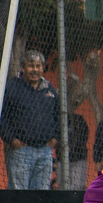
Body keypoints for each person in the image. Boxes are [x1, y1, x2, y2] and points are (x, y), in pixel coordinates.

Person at [0, 50, 59, 190]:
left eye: (38, 66)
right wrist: (11, 139)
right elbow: (3, 117)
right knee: (18, 195)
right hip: (21, 151)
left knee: (40, 196)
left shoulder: (49, 89)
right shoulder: (12, 87)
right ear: (23, 68)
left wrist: (56, 138)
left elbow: (59, 116)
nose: (35, 70)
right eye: (31, 66)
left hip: (45, 152)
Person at [55, 113, 89, 190]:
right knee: (62, 186)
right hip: (62, 159)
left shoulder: (79, 120)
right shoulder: (58, 119)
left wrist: (73, 147)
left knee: (77, 186)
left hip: (79, 158)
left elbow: (84, 136)